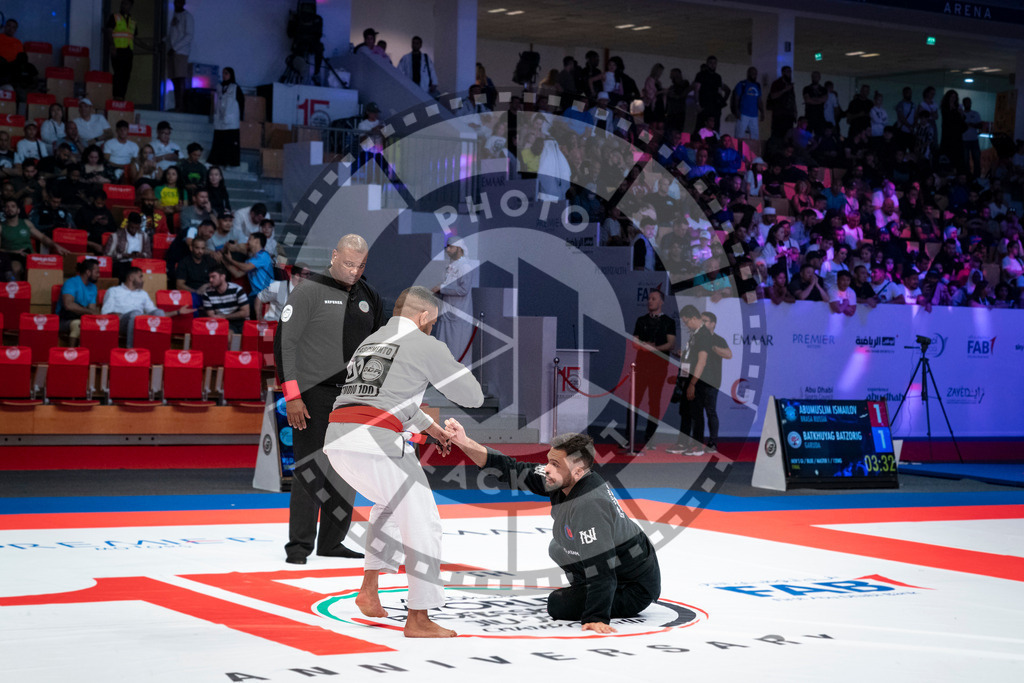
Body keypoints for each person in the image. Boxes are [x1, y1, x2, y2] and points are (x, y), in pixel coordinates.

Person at [322, 286, 484, 638]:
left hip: (338, 440)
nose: (433, 328)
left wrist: (434, 430)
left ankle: (368, 590)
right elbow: (472, 396)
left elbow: (392, 400)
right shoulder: (425, 344)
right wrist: (448, 362)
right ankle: (419, 617)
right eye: (433, 323)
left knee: (389, 505)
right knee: (424, 521)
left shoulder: (371, 343)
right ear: (424, 317)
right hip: (374, 441)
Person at [446, 421, 660, 633]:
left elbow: (602, 568)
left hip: (634, 587)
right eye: (549, 461)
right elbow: (511, 468)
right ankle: (584, 587)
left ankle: (593, 595)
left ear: (578, 472)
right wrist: (464, 443)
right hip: (617, 563)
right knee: (558, 547)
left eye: (555, 464)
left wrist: (596, 616)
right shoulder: (559, 479)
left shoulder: (589, 504)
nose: (547, 469)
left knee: (557, 604)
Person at [273, 234, 385, 565]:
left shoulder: (369, 295)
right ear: (334, 255)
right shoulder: (308, 291)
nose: (354, 271)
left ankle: (333, 541)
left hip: (353, 397)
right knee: (311, 468)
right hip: (312, 394)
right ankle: (299, 546)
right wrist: (292, 396)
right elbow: (286, 344)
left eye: (361, 265)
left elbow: (379, 347)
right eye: (349, 263)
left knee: (347, 470)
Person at [630, 288, 675, 453]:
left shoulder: (669, 322)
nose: (650, 301)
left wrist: (654, 349)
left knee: (654, 403)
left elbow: (671, 343)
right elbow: (635, 342)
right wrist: (645, 347)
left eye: (654, 299)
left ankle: (650, 438)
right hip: (641, 366)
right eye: (649, 299)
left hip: (659, 368)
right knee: (634, 402)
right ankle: (630, 438)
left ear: (661, 301)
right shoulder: (641, 320)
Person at [102, 266, 190, 345]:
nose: (143, 280)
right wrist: (123, 316)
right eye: (140, 277)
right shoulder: (113, 291)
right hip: (121, 323)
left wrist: (178, 311)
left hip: (140, 322)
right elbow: (105, 313)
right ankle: (132, 351)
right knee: (135, 314)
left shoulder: (143, 294)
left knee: (158, 312)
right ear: (131, 277)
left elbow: (156, 313)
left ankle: (158, 350)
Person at [431, 236, 475, 364]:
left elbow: (463, 290)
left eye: (451, 247)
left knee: (458, 348)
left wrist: (442, 288)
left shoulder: (465, 266)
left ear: (459, 248)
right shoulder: (450, 267)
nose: (447, 249)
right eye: (447, 247)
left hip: (459, 316)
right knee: (445, 346)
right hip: (447, 313)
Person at [221, 231, 274, 316]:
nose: (248, 242)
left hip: (266, 292)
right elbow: (237, 274)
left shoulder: (263, 255)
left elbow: (246, 267)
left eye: (250, 239)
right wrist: (224, 261)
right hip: (254, 294)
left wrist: (231, 260)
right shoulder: (251, 260)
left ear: (257, 241)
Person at [209, 67, 244, 168]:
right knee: (219, 141)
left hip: (231, 119)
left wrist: (241, 117)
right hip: (220, 119)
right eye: (223, 73)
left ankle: (230, 162)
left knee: (230, 142)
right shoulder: (219, 87)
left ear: (231, 75)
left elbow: (241, 102)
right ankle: (218, 161)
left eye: (226, 73)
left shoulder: (235, 87)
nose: (224, 75)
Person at [57, 258, 101, 338]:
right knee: (78, 324)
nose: (99, 275)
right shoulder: (71, 282)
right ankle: (72, 350)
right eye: (97, 272)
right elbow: (68, 305)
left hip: (82, 319)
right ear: (88, 272)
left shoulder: (93, 287)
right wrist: (89, 312)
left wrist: (91, 312)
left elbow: (92, 309)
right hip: (63, 320)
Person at [199, 264, 248, 333]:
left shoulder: (237, 290)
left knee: (252, 335)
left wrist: (224, 316)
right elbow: (212, 316)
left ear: (222, 277)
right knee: (227, 333)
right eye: (209, 277)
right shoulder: (207, 294)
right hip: (223, 323)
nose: (210, 280)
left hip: (241, 321)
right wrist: (223, 318)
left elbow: (246, 313)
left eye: (213, 277)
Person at [106, 0, 137, 100]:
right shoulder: (115, 17)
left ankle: (122, 96)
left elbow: (133, 36)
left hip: (128, 51)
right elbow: (109, 31)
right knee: (118, 74)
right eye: (123, 3)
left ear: (131, 6)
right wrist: (112, 46)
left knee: (126, 75)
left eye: (127, 4)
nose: (124, 6)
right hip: (118, 50)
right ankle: (116, 96)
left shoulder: (132, 21)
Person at [166, 0, 194, 112]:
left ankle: (180, 106)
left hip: (181, 52)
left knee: (180, 79)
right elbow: (172, 34)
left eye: (179, 2)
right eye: (175, 2)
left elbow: (189, 36)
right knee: (174, 79)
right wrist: (164, 42)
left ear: (183, 3)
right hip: (173, 51)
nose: (176, 4)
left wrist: (175, 48)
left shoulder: (187, 16)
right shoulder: (175, 15)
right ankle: (177, 105)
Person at [174, 234, 214, 302]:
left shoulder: (209, 261)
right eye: (197, 248)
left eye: (202, 248)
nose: (200, 251)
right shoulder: (184, 263)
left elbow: (217, 278)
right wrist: (196, 292)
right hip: (191, 294)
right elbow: (179, 285)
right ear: (191, 248)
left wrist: (207, 285)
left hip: (208, 291)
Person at [731, 66, 763, 140]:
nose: (754, 75)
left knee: (755, 136)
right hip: (743, 113)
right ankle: (737, 150)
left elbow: (759, 100)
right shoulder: (742, 84)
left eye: (755, 74)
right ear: (748, 74)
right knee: (739, 134)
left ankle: (753, 151)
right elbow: (736, 98)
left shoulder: (757, 86)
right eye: (752, 73)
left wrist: (762, 112)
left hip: (754, 115)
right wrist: (736, 111)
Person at [768, 66, 797, 141]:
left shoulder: (790, 85)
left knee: (788, 135)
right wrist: (784, 90)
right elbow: (773, 96)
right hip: (779, 114)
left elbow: (792, 99)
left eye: (790, 71)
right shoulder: (777, 83)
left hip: (789, 114)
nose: (789, 73)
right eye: (787, 71)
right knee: (777, 134)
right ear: (783, 72)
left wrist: (795, 111)